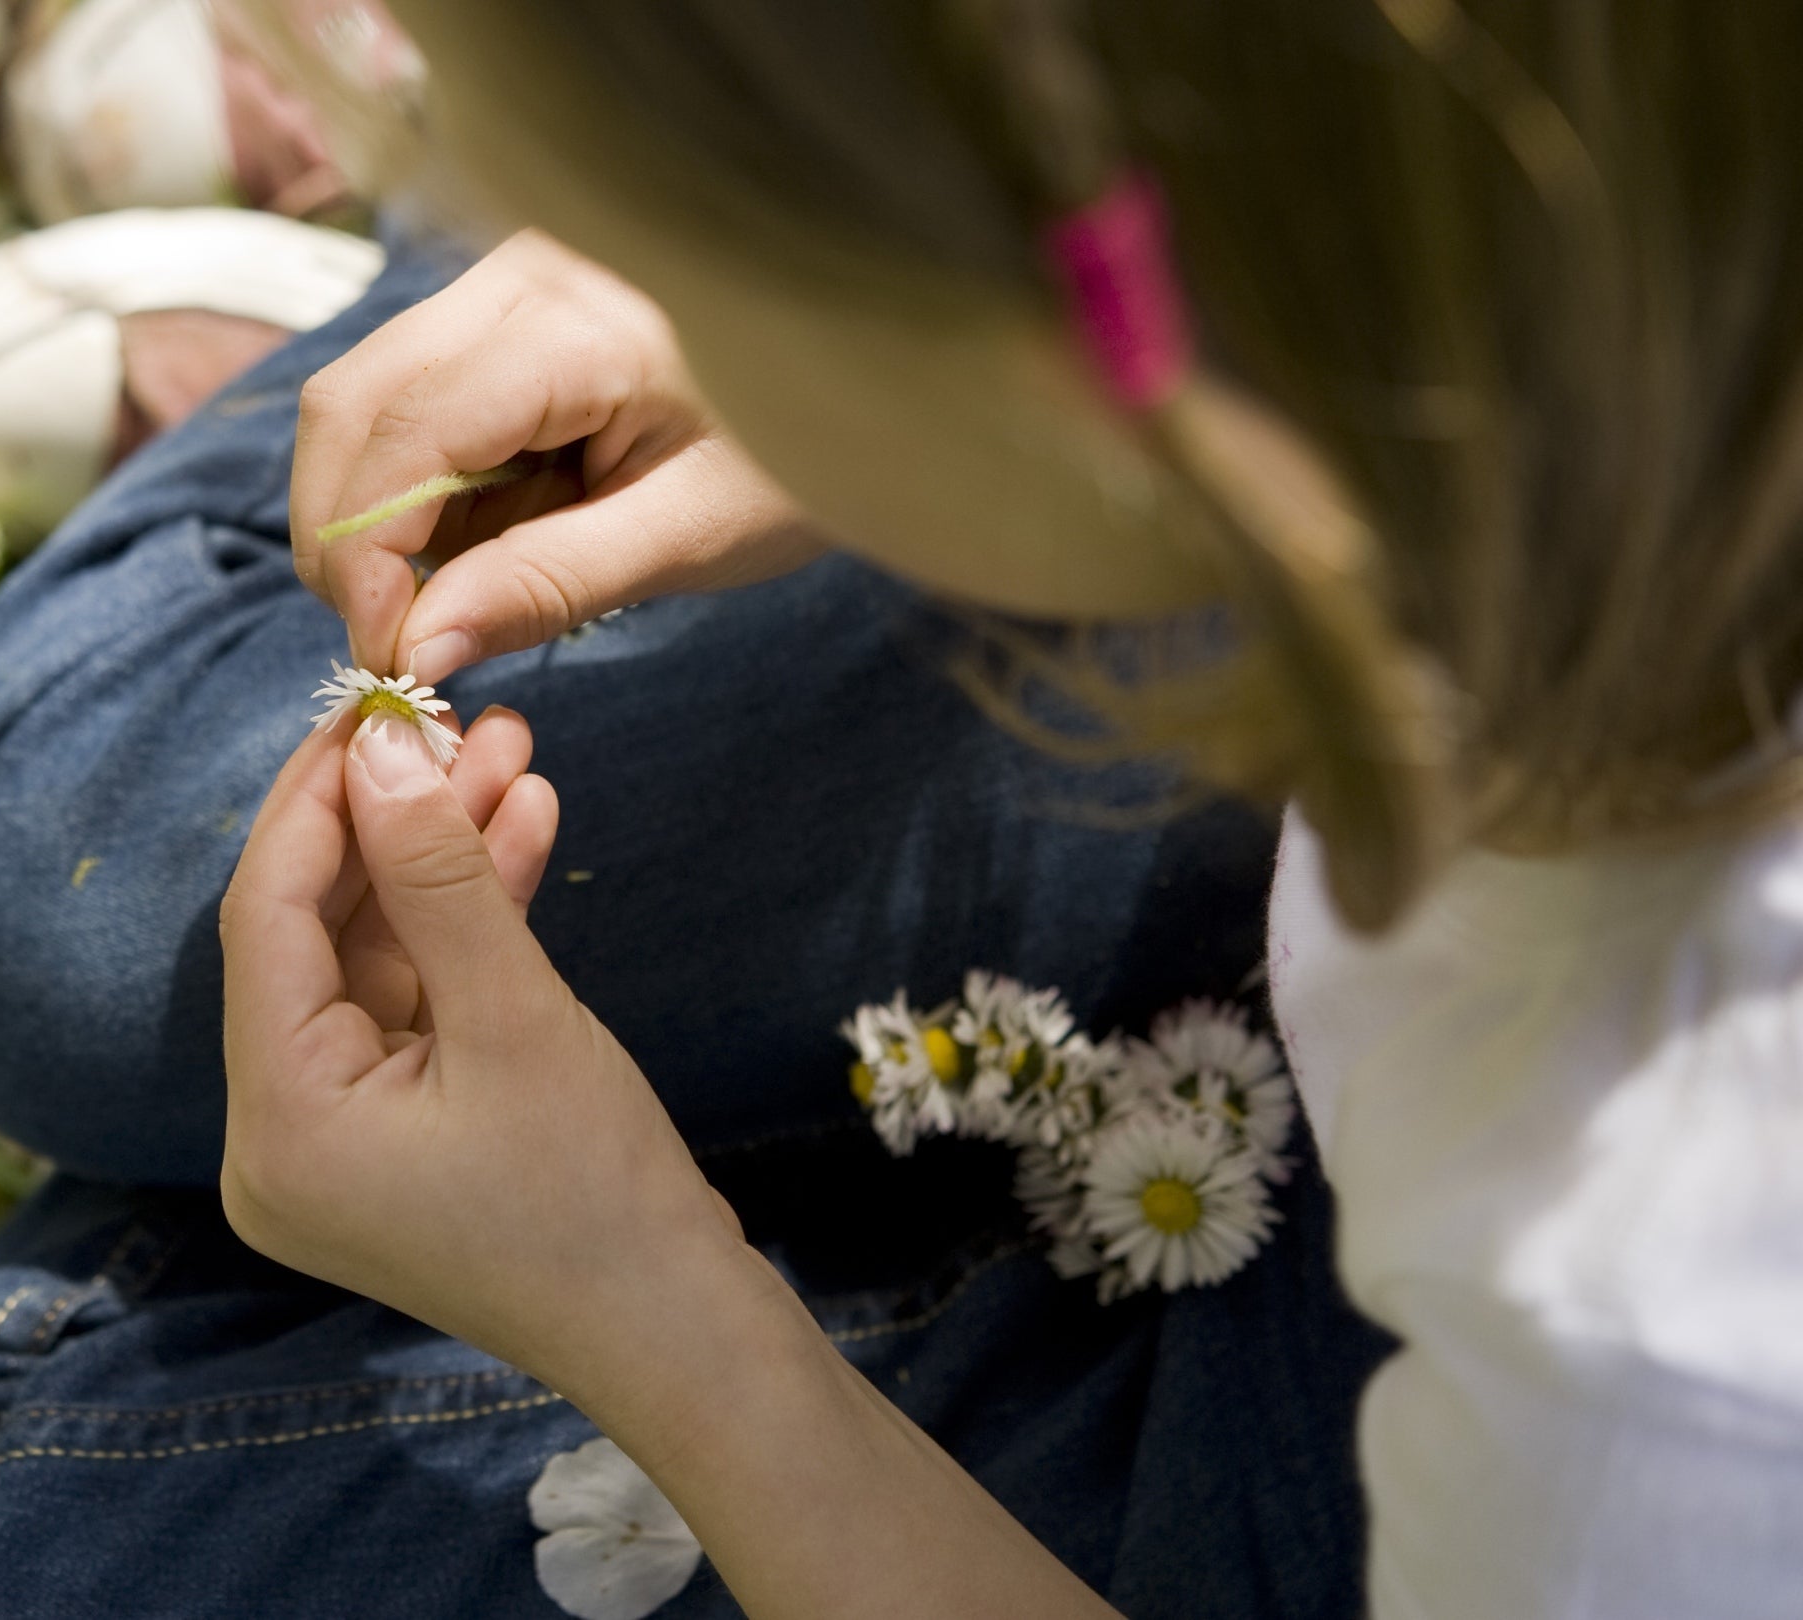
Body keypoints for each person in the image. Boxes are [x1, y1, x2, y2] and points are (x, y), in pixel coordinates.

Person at [214, 3, 1803, 1616]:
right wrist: (802, 346)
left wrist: (651, 1302)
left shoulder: (1665, 1385)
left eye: (674, 260)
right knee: (65, 925)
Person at [0, 227, 1389, 1616]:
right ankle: (551, 238)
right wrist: (881, 368)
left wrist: (655, 1304)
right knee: (52, 889)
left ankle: (401, 1188)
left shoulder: (1616, 1411)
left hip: (1328, 1421)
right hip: (1368, 694)